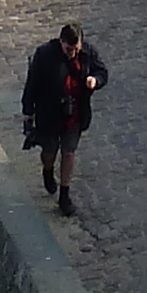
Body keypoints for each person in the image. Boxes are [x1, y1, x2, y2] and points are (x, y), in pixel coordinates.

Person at [21, 23, 106, 217]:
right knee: (49, 151)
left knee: (69, 152)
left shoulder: (87, 52)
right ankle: (48, 170)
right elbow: (32, 84)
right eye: (69, 49)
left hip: (75, 113)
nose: (73, 53)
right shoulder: (44, 55)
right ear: (61, 42)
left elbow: (102, 72)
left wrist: (95, 80)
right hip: (49, 113)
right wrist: (28, 111)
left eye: (76, 49)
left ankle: (64, 195)